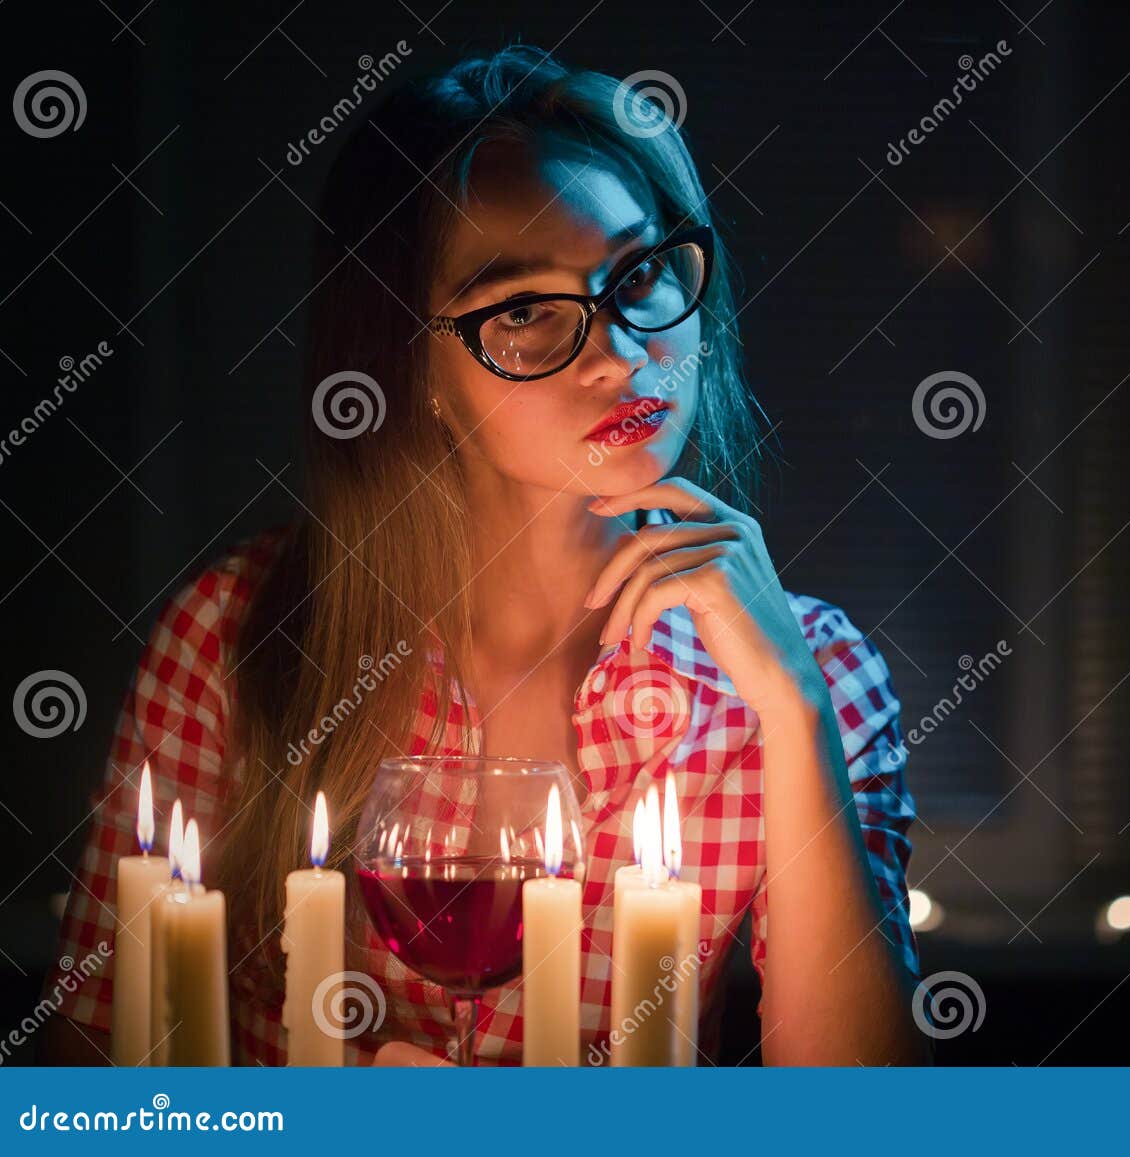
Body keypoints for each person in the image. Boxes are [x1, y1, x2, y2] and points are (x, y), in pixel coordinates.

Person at [41, 42, 927, 1066]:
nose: (619, 348)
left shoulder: (812, 670)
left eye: (636, 273)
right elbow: (93, 1057)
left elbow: (858, 1105)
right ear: (410, 363)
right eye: (522, 310)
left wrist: (793, 707)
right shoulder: (236, 630)